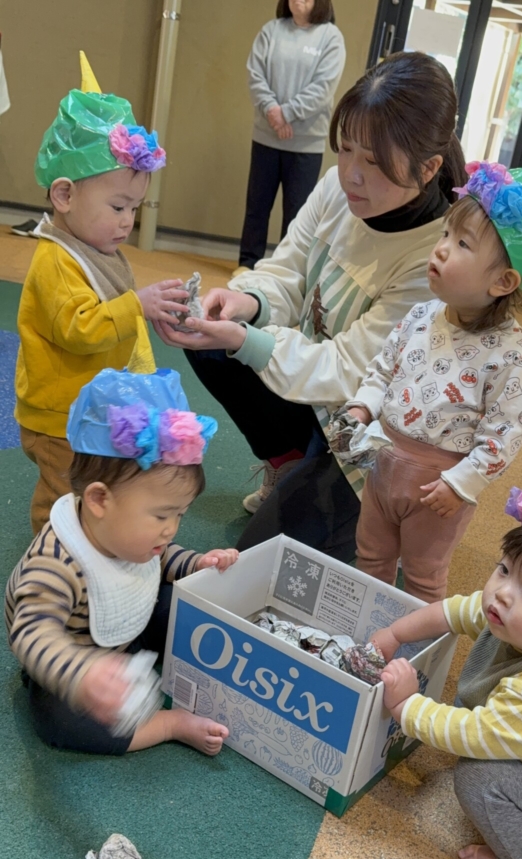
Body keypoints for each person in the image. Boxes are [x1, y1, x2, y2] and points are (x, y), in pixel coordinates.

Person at [154, 51, 468, 561]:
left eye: (374, 162)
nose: (351, 175)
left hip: (366, 428)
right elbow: (287, 270)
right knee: (212, 333)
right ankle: (290, 461)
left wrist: (248, 339)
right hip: (314, 386)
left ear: (428, 168)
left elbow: (349, 370)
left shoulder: (437, 258)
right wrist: (248, 302)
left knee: (260, 563)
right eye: (346, 149)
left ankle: (347, 498)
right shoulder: (336, 189)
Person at [336, 161, 522, 602]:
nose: (442, 249)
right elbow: (383, 369)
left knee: (424, 577)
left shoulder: (511, 356)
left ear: (503, 281)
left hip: (439, 489)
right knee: (370, 556)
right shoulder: (420, 314)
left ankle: (422, 647)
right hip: (383, 465)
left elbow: (504, 432)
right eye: (446, 233)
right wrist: (362, 406)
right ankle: (366, 631)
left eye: (462, 243)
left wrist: (461, 483)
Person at [377, 476, 522, 859]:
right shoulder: (518, 622)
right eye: (504, 570)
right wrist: (394, 633)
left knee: (478, 776)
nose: (502, 593)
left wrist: (407, 706)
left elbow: (474, 734)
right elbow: (451, 612)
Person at [6, 366, 238, 758]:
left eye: (179, 515)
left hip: (129, 627)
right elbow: (31, 634)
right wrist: (82, 674)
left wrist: (197, 564)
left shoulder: (135, 536)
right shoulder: (56, 562)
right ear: (99, 500)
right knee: (58, 718)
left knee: (181, 604)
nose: (171, 528)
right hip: (76, 661)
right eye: (162, 516)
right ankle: (168, 725)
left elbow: (162, 558)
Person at [15, 52, 189, 533]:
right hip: (57, 416)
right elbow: (80, 328)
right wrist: (137, 305)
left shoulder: (94, 248)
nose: (127, 221)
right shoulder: (56, 261)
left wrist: (150, 311)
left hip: (87, 405)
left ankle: (87, 543)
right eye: (117, 206)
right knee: (62, 492)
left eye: (134, 208)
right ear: (64, 196)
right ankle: (51, 553)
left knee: (91, 483)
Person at [238, 0, 345, 271]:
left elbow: (322, 89)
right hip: (266, 137)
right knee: (257, 206)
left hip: (306, 144)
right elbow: (255, 75)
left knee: (297, 214)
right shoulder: (271, 30)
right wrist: (273, 112)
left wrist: (286, 113)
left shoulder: (330, 37)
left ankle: (285, 271)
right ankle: (247, 262)